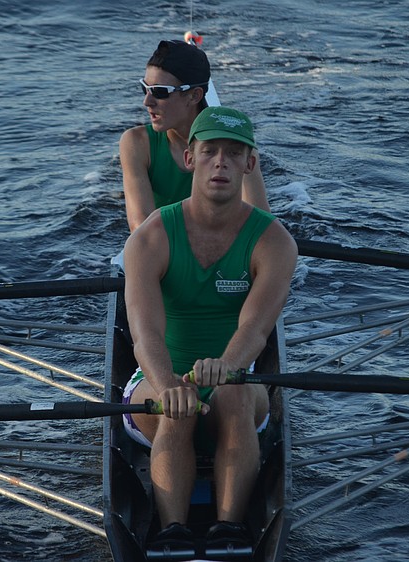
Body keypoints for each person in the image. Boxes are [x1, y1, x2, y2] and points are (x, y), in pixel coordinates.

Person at [122, 106, 298, 554]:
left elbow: (256, 330)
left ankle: (230, 530)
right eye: (210, 151)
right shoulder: (150, 237)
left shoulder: (275, 242)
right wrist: (167, 385)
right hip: (155, 385)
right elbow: (144, 335)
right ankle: (171, 531)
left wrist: (228, 367)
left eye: (234, 153)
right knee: (176, 405)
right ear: (190, 159)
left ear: (249, 164)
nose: (221, 162)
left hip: (236, 383)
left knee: (234, 393)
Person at [119, 39, 270, 233]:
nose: (147, 101)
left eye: (159, 92)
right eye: (145, 88)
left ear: (194, 95)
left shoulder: (237, 148)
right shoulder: (136, 143)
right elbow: (141, 229)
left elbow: (260, 228)